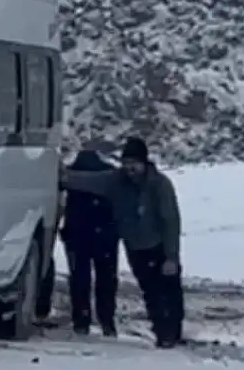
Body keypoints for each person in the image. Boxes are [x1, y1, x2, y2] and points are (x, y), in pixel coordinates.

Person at [64, 135, 184, 348]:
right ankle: (162, 331)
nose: (129, 168)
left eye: (133, 164)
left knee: (168, 291)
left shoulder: (159, 185)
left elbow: (171, 221)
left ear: (144, 163)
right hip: (135, 247)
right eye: (126, 163)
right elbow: (88, 181)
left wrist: (171, 256)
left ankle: (171, 332)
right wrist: (63, 177)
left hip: (158, 246)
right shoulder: (116, 181)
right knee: (150, 292)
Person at [60, 147, 121, 336]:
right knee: (107, 279)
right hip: (105, 236)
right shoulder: (110, 175)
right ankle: (107, 320)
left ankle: (81, 320)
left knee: (79, 279)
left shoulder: (70, 177)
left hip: (77, 235)